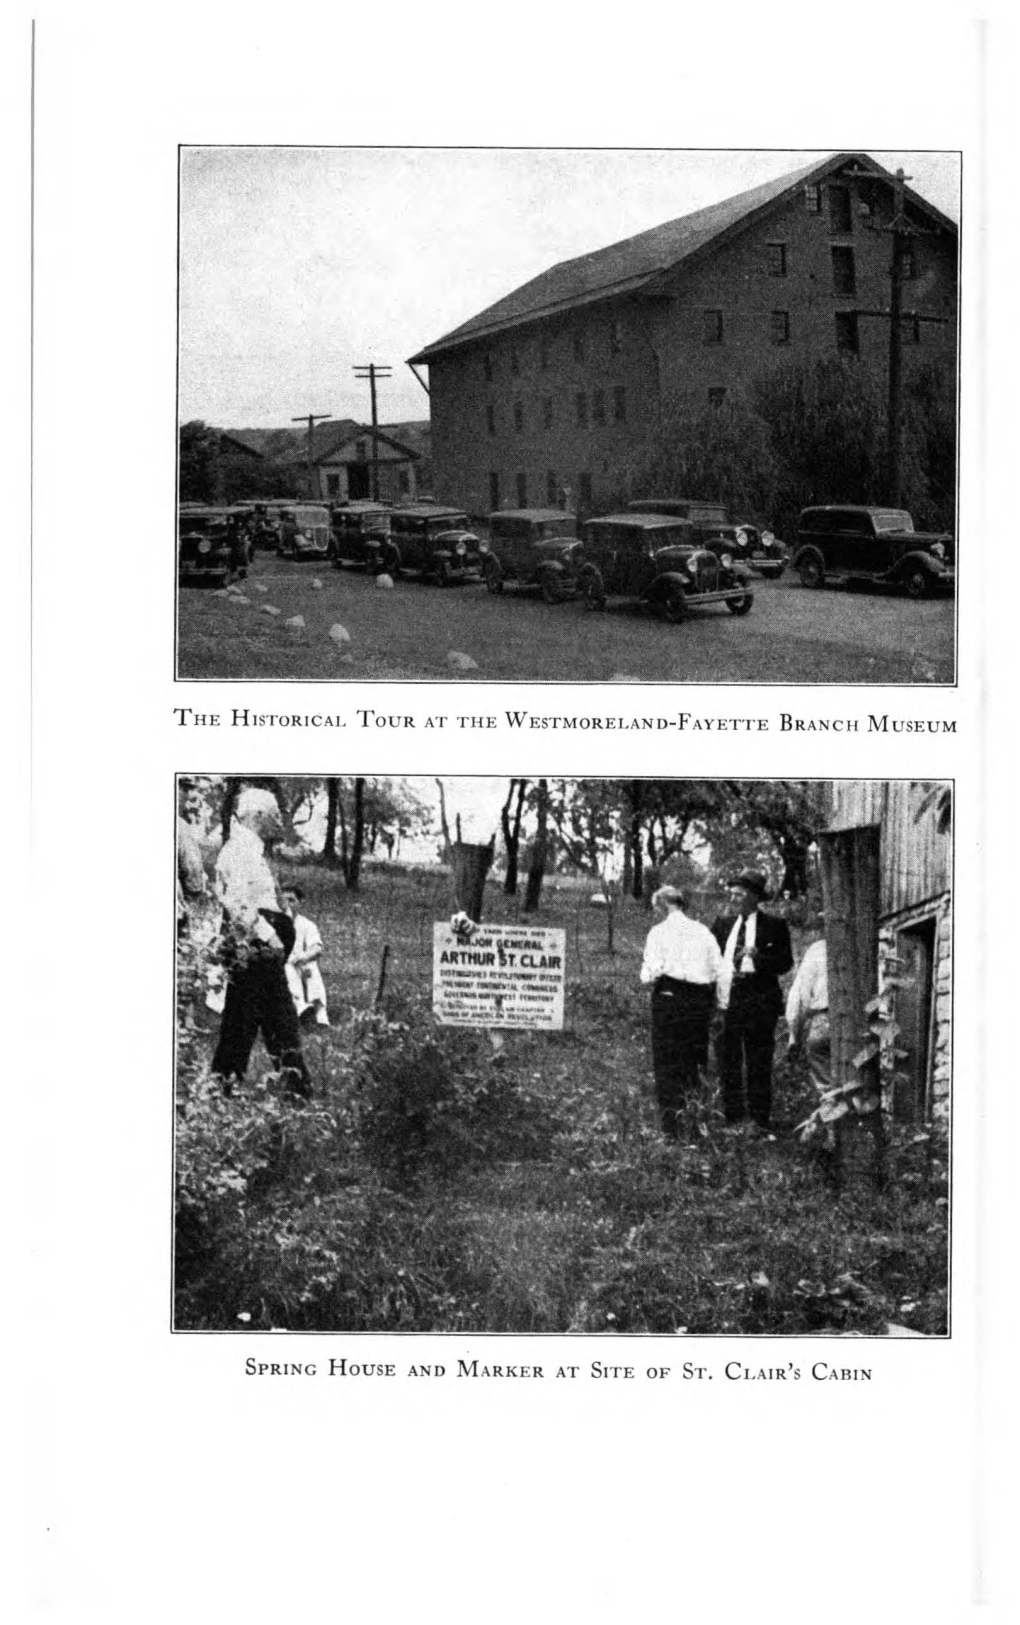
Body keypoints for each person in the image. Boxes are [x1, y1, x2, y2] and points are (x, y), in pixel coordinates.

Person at [210, 788, 311, 1099]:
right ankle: (294, 1089)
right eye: (275, 815)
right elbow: (239, 903)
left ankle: (224, 1086)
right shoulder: (241, 849)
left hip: (255, 948)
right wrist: (271, 937)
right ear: (256, 816)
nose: (279, 822)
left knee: (250, 1019)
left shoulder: (245, 847)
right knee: (274, 1020)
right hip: (256, 948)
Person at [640, 886, 723, 1140]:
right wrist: (720, 1006)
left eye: (657, 908)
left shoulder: (659, 932)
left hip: (670, 998)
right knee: (693, 1061)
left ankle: (671, 1128)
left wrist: (649, 975)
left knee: (667, 1063)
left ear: (663, 905)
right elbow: (721, 971)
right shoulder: (704, 932)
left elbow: (650, 972)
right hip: (699, 1002)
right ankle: (694, 1122)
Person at [712, 871, 793, 1129]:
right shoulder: (722, 924)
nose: (733, 898)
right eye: (732, 893)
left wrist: (758, 957)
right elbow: (711, 960)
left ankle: (760, 1119)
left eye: (739, 894)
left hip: (759, 1001)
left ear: (754, 898)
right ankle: (733, 1117)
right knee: (728, 1061)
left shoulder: (775, 925)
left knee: (759, 1061)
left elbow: (785, 964)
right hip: (728, 1001)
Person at [785, 930, 830, 1096]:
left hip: (823, 1021)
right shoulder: (864, 944)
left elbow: (800, 997)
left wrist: (794, 1037)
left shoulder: (817, 949)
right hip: (859, 1024)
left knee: (827, 1089)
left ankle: (831, 1118)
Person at [282, 886, 330, 1027]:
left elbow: (317, 948)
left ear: (300, 903)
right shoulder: (272, 921)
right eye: (283, 900)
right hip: (279, 964)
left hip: (300, 964)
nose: (287, 904)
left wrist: (303, 957)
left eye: (291, 900)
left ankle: (320, 1011)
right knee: (287, 967)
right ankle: (301, 1007)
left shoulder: (306, 924)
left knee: (311, 965)